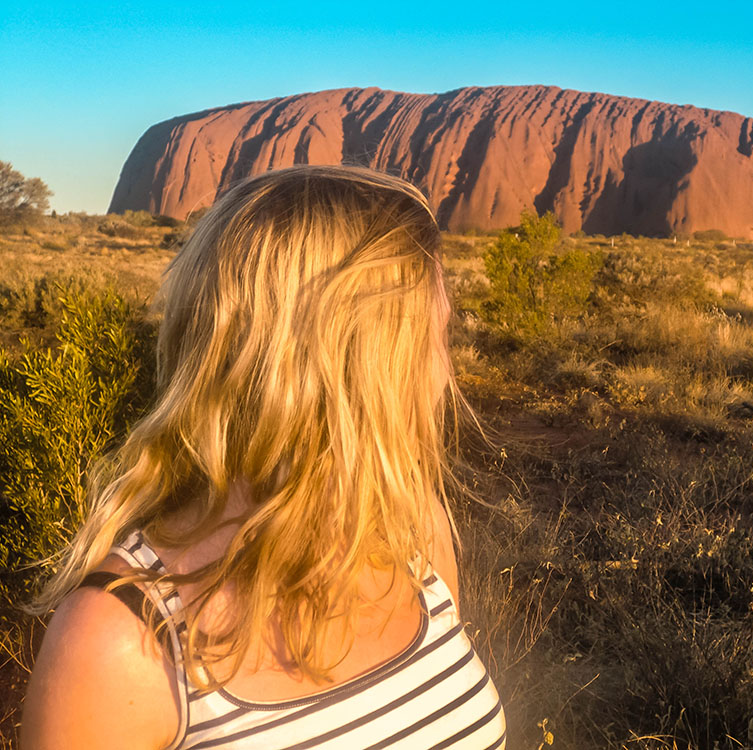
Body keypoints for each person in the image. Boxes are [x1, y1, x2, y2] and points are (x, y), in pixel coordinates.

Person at [20, 165, 507, 749]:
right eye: (439, 338)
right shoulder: (120, 641)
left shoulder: (410, 525)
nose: (446, 374)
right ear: (352, 366)